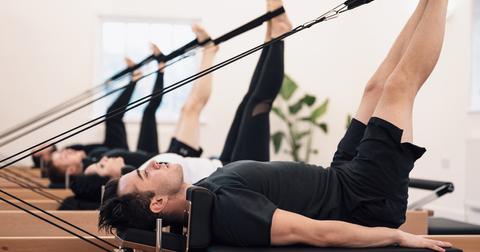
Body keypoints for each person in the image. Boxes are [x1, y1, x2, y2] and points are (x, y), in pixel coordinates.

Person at [99, 0, 454, 251]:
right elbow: (318, 234)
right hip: (364, 196)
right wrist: (395, 236)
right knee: (398, 87)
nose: (153, 162)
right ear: (158, 203)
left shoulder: (205, 193)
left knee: (375, 89)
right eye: (146, 174)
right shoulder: (226, 209)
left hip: (341, 175)